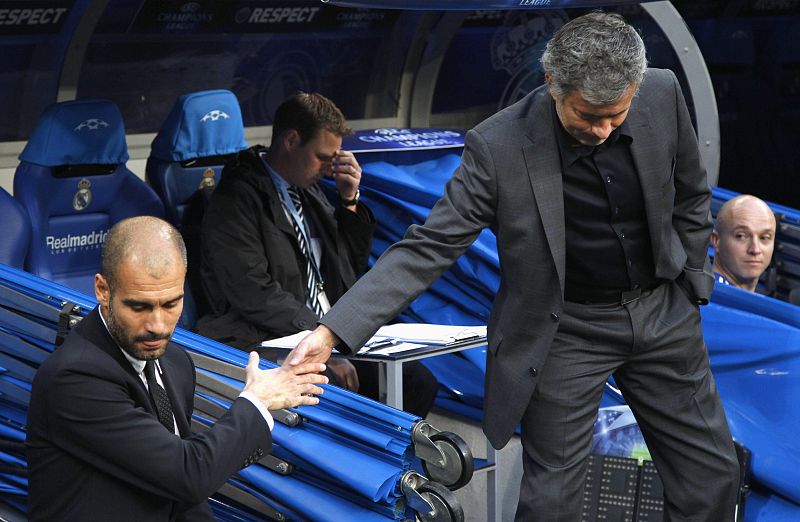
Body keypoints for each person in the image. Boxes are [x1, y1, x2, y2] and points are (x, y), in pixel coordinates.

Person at [287, 12, 740, 521]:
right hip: (566, 330)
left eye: (616, 116)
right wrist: (331, 333)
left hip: (662, 312)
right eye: (587, 115)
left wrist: (691, 284)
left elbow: (692, 193)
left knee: (712, 475)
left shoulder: (661, 92)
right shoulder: (498, 146)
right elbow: (429, 246)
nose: (602, 130)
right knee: (551, 502)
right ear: (552, 83)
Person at [26, 216, 328, 521]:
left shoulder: (175, 362)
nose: (157, 326)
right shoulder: (74, 378)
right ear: (103, 290)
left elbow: (183, 500)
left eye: (171, 304)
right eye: (139, 306)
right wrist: (257, 401)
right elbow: (188, 475)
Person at [197, 92, 437, 417]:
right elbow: (252, 291)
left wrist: (349, 201)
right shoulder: (236, 199)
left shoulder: (308, 191)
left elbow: (348, 267)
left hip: (322, 329)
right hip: (268, 333)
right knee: (330, 386)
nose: (328, 169)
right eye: (322, 157)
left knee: (418, 381)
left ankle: (391, 450)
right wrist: (323, 335)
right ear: (291, 141)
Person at [711, 194, 777, 291]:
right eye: (741, 236)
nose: (755, 250)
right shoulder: (701, 296)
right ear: (716, 241)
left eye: (764, 237)